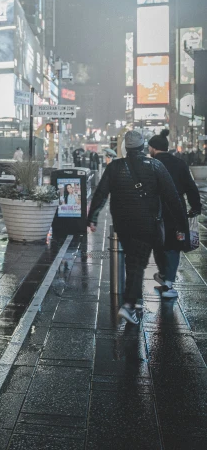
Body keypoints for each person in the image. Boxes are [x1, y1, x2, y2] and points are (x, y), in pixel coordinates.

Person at [87, 129, 187, 325]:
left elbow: (100, 193)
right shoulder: (155, 165)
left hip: (123, 224)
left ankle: (136, 302)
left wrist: (92, 217)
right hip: (147, 223)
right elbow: (172, 197)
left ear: (126, 147)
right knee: (137, 263)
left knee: (134, 260)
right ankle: (129, 305)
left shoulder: (115, 167)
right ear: (143, 147)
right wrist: (182, 226)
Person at [148, 129, 202, 298]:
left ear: (152, 148)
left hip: (155, 210)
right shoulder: (180, 164)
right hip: (176, 210)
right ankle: (168, 282)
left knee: (158, 244)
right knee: (173, 246)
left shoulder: (150, 165)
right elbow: (191, 188)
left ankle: (164, 276)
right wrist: (195, 207)